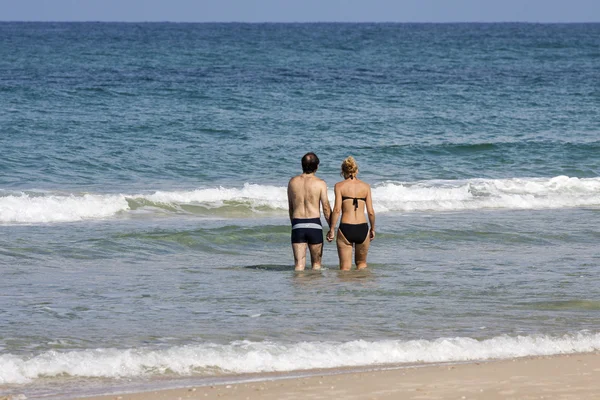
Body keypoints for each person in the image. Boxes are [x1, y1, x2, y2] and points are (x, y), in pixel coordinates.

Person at [326, 156, 375, 270]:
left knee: (345, 268)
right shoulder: (366, 187)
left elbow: (337, 209)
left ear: (343, 171)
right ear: (356, 170)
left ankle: (346, 288)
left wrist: (332, 229)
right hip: (362, 228)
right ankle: (362, 287)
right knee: (362, 264)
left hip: (346, 228)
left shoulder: (339, 186)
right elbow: (371, 212)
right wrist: (372, 228)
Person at [287, 152, 332, 271]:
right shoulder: (320, 183)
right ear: (316, 166)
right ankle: (315, 289)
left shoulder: (292, 182)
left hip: (298, 224)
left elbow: (291, 208)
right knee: (316, 266)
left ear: (302, 165)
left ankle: (298, 289)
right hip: (314, 225)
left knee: (299, 266)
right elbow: (326, 208)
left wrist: (295, 225)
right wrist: (331, 228)